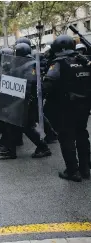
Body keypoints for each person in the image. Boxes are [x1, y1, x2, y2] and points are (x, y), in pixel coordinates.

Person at [44, 35, 91, 182]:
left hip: (65, 107)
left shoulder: (58, 63)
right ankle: (85, 169)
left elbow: (48, 85)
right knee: (82, 134)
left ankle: (72, 171)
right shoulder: (85, 61)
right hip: (84, 106)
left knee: (66, 137)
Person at [0, 43, 51, 160]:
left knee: (27, 126)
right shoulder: (25, 63)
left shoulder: (30, 65)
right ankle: (10, 150)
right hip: (23, 100)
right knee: (14, 124)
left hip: (27, 101)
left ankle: (43, 147)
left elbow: (30, 83)